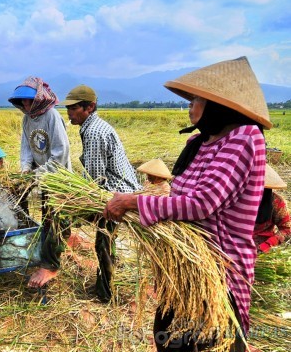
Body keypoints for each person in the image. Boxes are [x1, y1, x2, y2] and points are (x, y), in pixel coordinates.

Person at [102, 56, 271, 351]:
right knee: (166, 337)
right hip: (186, 266)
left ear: (219, 105)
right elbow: (176, 196)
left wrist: (133, 203)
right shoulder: (200, 142)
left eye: (196, 99)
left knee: (205, 343)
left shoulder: (245, 137)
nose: (190, 105)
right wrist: (138, 200)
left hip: (220, 270)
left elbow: (203, 202)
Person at [60, 84, 142, 303]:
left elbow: (96, 180)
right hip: (116, 190)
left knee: (103, 242)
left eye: (74, 108)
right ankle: (106, 286)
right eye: (68, 108)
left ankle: (105, 292)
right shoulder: (91, 127)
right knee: (105, 241)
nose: (69, 112)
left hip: (116, 194)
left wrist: (81, 202)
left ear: (89, 107)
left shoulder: (95, 132)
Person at [8, 76, 71, 288]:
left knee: (55, 220)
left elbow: (60, 154)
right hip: (41, 176)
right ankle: (47, 253)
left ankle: (52, 266)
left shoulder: (52, 117)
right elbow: (26, 148)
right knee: (46, 217)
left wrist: (38, 174)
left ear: (38, 99)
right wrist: (25, 169)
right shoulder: (27, 119)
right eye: (23, 102)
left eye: (28, 101)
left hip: (58, 178)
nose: (25, 105)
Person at [254, 164, 290, 254]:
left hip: (262, 250)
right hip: (235, 247)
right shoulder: (234, 198)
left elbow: (287, 229)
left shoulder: (276, 202)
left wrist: (267, 245)